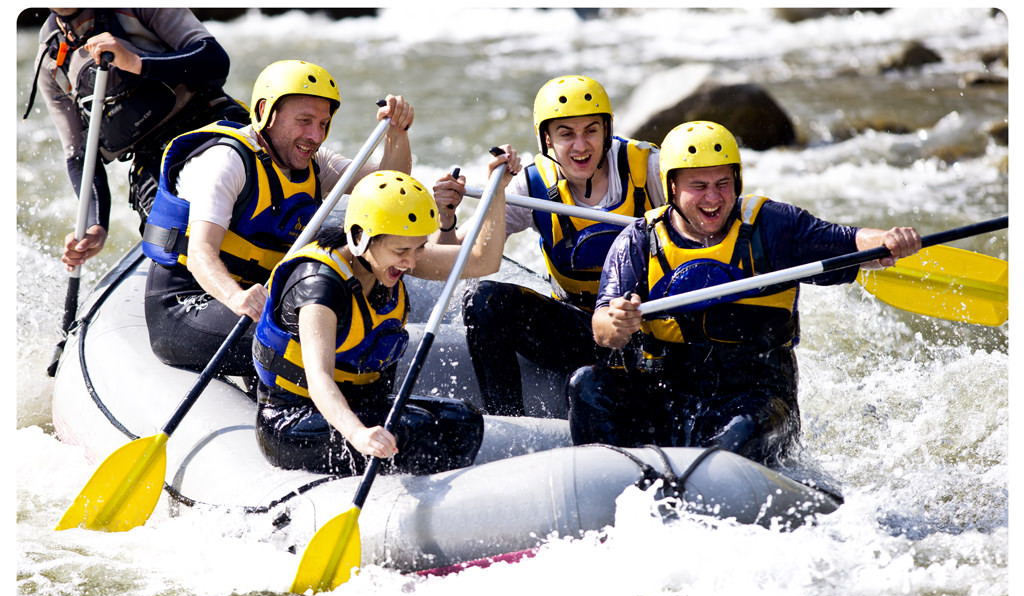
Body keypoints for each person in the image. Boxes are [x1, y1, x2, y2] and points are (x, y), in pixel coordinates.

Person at [567, 120, 922, 465]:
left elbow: (850, 243)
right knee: (588, 384)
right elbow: (603, 328)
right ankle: (612, 475)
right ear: (671, 187)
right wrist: (618, 322)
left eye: (723, 184)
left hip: (757, 401)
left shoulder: (772, 226)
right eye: (698, 186)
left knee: (739, 433)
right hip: (668, 397)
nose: (713, 198)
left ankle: (714, 474)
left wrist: (887, 241)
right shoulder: (639, 240)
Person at [141, 59, 415, 378]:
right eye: (304, 121)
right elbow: (201, 253)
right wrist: (237, 298)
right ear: (265, 112)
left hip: (258, 300)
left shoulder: (314, 163)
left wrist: (397, 134)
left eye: (323, 124)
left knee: (360, 326)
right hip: (188, 304)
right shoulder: (226, 161)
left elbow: (388, 188)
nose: (315, 135)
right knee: (318, 336)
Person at [252, 156, 520, 476]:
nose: (412, 262)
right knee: (414, 430)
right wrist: (358, 435)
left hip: (361, 405)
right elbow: (319, 379)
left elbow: (483, 261)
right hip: (294, 419)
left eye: (418, 249)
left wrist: (497, 190)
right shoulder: (318, 287)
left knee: (463, 421)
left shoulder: (386, 256)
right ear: (360, 237)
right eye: (401, 251)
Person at [433, 74, 664, 417]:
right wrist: (447, 217)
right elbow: (456, 258)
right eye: (566, 134)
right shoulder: (532, 185)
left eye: (591, 130)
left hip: (648, 330)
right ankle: (507, 420)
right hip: (581, 330)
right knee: (484, 300)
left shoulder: (651, 168)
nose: (581, 146)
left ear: (607, 130)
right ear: (547, 139)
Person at [24, 8, 250, 271]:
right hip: (154, 163)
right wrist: (96, 226)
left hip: (209, 123)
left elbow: (214, 60)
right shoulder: (50, 59)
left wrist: (135, 62)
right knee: (170, 254)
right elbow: (80, 155)